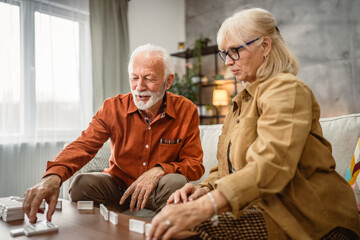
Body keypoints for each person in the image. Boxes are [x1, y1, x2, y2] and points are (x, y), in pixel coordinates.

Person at [148, 8, 360, 240]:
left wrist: (206, 206)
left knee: (192, 231)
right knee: (170, 224)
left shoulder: (288, 89)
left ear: (265, 46)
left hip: (313, 217)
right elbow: (224, 168)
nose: (228, 62)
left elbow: (272, 165)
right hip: (266, 209)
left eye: (234, 51)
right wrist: (204, 189)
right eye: (224, 54)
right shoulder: (242, 102)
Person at [23, 44, 205, 224]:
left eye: (149, 78)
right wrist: (53, 176)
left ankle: (159, 229)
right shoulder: (113, 107)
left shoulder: (186, 110)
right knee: (81, 185)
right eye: (134, 78)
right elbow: (84, 145)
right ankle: (105, 230)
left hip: (158, 190)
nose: (139, 87)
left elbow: (194, 165)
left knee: (176, 183)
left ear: (168, 81)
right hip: (118, 187)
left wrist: (160, 169)